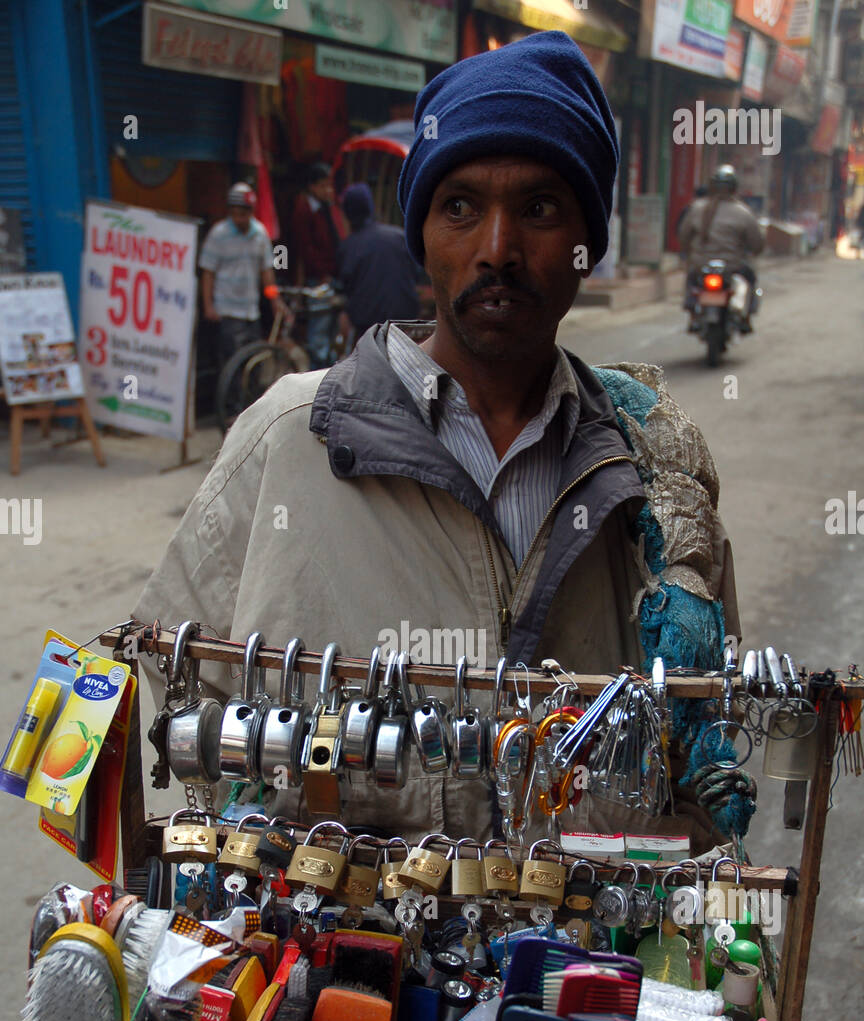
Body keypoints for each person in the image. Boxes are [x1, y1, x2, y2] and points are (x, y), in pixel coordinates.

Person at [136, 33, 750, 850]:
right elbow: (174, 688)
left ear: (585, 247)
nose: (497, 249)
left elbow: (704, 735)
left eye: (538, 208)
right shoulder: (290, 438)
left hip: (581, 966)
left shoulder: (654, 470)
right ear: (422, 232)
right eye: (460, 206)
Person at [199, 183, 284, 380]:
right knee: (231, 364)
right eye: (236, 214)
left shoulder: (260, 233)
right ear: (230, 212)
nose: (240, 219)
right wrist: (208, 305)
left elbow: (266, 271)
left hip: (250, 310)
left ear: (251, 212)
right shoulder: (218, 234)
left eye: (244, 214)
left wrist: (274, 300)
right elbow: (208, 273)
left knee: (253, 361)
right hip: (227, 310)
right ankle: (231, 407)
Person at [678, 166, 764, 328]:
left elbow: (684, 237)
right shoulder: (743, 212)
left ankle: (692, 311)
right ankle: (746, 316)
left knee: (691, 278)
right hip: (733, 266)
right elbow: (756, 244)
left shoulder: (696, 208)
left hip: (700, 264)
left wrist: (688, 252)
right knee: (750, 277)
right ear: (734, 188)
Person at [336, 183, 419, 339]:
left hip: (368, 327)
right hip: (405, 320)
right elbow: (416, 274)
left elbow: (346, 288)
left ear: (347, 213)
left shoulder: (348, 247)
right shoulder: (398, 236)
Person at [292, 163, 345, 368]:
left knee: (330, 334)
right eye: (323, 186)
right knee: (319, 337)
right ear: (312, 187)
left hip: (330, 276)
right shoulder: (304, 209)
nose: (328, 191)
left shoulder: (326, 209)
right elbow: (305, 249)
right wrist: (321, 273)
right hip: (319, 279)